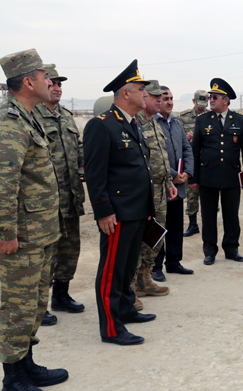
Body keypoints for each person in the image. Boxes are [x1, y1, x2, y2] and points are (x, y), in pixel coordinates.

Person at [0, 48, 69, 391]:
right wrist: (6, 232)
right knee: (17, 306)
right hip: (20, 235)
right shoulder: (7, 120)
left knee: (34, 304)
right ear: (29, 81)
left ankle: (27, 365)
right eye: (45, 76)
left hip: (41, 232)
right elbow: (2, 184)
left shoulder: (29, 115)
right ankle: (12, 377)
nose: (51, 81)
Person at [84, 60, 177, 346]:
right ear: (126, 93)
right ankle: (111, 328)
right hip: (118, 214)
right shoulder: (102, 126)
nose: (146, 95)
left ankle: (125, 309)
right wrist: (103, 210)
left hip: (137, 212)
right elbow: (95, 173)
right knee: (111, 271)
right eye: (141, 89)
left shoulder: (133, 123)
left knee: (125, 268)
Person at [32, 64, 86, 328]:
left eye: (60, 84)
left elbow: (78, 150)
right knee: (46, 255)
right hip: (46, 203)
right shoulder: (32, 116)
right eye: (51, 83)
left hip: (71, 198)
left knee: (69, 250)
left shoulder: (66, 116)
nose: (56, 88)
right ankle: (39, 306)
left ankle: (61, 296)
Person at [188, 78, 243, 265]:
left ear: (225, 100)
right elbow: (195, 151)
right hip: (207, 176)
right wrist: (193, 178)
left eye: (215, 97)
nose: (211, 100)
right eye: (210, 97)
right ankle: (209, 251)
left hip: (231, 176)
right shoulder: (202, 121)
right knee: (208, 216)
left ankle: (231, 249)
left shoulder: (239, 120)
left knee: (231, 215)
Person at [131, 80, 173, 307]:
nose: (160, 100)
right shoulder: (135, 123)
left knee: (155, 237)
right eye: (155, 96)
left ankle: (145, 279)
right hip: (143, 191)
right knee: (138, 239)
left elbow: (161, 157)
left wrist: (168, 181)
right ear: (143, 97)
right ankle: (130, 288)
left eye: (163, 97)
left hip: (160, 190)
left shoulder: (155, 123)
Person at [152, 85, 195, 281]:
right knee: (159, 227)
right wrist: (172, 175)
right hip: (161, 187)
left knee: (176, 225)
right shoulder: (150, 124)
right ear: (156, 100)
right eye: (165, 98)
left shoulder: (176, 123)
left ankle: (174, 262)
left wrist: (187, 172)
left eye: (171, 98)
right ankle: (156, 266)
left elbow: (187, 149)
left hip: (178, 185)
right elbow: (153, 156)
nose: (169, 102)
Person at [179, 90, 209, 237]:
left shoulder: (211, 116)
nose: (201, 108)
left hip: (207, 163)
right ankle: (193, 224)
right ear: (193, 101)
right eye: (199, 105)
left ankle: (208, 223)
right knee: (191, 194)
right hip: (191, 163)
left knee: (208, 194)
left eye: (204, 105)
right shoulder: (184, 118)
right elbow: (176, 140)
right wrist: (186, 137)